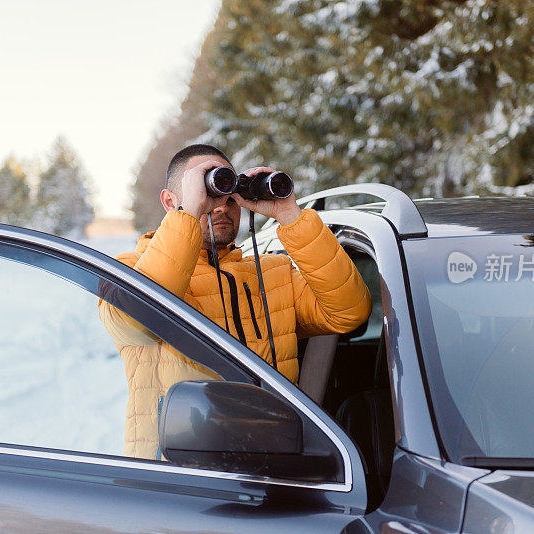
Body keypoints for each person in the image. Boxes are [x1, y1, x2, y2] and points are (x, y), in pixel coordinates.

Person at [99, 144, 371, 459]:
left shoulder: (273, 272)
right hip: (182, 480)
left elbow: (350, 312)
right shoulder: (129, 270)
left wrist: (290, 217)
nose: (220, 207)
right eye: (206, 192)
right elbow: (137, 320)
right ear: (170, 201)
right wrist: (188, 214)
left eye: (227, 194)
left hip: (275, 467)